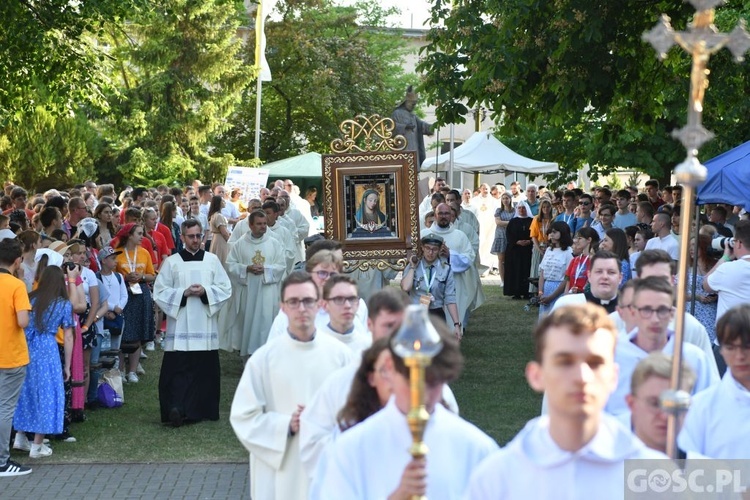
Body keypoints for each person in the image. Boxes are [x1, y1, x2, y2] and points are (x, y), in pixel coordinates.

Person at [467, 304, 664, 498]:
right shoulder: (495, 478)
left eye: (595, 363)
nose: (582, 376)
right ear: (537, 375)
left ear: (613, 377)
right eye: (565, 362)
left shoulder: (657, 477)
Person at [315, 315, 497, 499]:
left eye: (433, 382)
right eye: (412, 380)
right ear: (389, 369)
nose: (423, 395)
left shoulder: (477, 449)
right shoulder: (349, 450)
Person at [230, 272, 353, 500]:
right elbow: (243, 417)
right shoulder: (263, 360)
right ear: (283, 308)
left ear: (319, 305)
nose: (301, 309)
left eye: (307, 301)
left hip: (328, 465)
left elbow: (359, 412)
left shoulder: (341, 356)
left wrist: (324, 420)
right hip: (281, 467)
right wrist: (288, 425)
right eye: (293, 302)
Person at [153, 219, 232, 427]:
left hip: (205, 327)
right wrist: (184, 293)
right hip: (180, 329)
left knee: (204, 372)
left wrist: (206, 292)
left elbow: (225, 288)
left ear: (203, 236)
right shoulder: (172, 262)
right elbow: (159, 291)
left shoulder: (212, 261)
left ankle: (202, 409)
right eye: (191, 236)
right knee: (178, 371)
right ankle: (176, 409)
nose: (195, 240)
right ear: (182, 238)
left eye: (198, 236)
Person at [604, 277, 718, 417]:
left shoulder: (694, 358)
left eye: (662, 310)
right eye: (646, 310)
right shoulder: (610, 357)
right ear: (633, 312)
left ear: (672, 314)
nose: (655, 319)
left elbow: (712, 409)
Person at [13, 266, 74, 459]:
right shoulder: (63, 304)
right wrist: (67, 365)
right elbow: (69, 336)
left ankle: (20, 436)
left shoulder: (31, 297)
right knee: (47, 394)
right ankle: (37, 445)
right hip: (47, 349)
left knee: (26, 391)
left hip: (27, 347)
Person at [678, 304, 750, 458]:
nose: (740, 356)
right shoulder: (701, 406)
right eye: (730, 347)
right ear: (721, 350)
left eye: (747, 347)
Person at [219, 210, 286, 357]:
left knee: (264, 323)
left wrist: (266, 269)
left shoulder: (274, 243)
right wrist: (246, 268)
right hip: (247, 293)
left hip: (266, 292)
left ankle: (267, 357)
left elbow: (281, 266)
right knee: (247, 324)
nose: (263, 227)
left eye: (264, 224)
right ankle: (247, 358)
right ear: (250, 225)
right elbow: (230, 264)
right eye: (259, 224)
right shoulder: (240, 244)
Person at [0, 239, 33, 476]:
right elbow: (22, 321)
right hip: (10, 355)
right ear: (17, 260)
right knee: (4, 409)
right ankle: (2, 461)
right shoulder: (16, 285)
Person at [624, 353, 696, 455]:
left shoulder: (707, 470)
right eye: (655, 404)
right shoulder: (603, 468)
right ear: (631, 404)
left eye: (676, 403)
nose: (665, 416)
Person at [421, 203, 479, 325]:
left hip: (454, 286)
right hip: (428, 287)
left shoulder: (460, 236)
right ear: (435, 215)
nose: (443, 216)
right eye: (440, 213)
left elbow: (468, 259)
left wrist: (450, 256)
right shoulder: (423, 235)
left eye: (446, 213)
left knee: (451, 323)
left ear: (451, 215)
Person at [113, 223, 156, 383]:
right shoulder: (117, 254)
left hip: (140, 294)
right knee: (122, 332)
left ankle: (132, 370)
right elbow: (111, 275)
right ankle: (120, 370)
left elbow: (152, 275)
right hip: (123, 294)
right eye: (139, 233)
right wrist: (125, 277)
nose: (142, 236)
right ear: (129, 235)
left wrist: (142, 277)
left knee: (137, 331)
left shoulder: (144, 253)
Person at [401, 235, 462, 338]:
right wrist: (412, 267)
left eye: (434, 249)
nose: (430, 252)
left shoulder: (446, 269)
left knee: (437, 348)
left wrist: (456, 324)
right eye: (428, 248)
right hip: (416, 312)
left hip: (436, 313)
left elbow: (450, 298)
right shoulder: (413, 265)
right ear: (422, 248)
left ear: (439, 250)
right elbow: (406, 287)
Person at [703, 219, 750, 325]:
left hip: (728, 337)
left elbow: (705, 285)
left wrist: (724, 258)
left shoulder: (727, 269)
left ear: (738, 244)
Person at [318, 275, 371, 353]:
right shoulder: (315, 345)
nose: (347, 305)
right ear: (325, 305)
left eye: (352, 299)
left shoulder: (369, 348)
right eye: (339, 299)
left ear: (358, 304)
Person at [687, 233, 719, 344]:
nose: (691, 249)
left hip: (710, 312)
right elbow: (678, 292)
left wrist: (715, 296)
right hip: (692, 309)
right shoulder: (687, 267)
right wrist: (696, 297)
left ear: (703, 247)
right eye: (690, 245)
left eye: (695, 245)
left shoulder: (715, 266)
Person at [391, 85, 434, 167]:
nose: (413, 106)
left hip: (414, 149)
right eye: (412, 104)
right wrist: (405, 126)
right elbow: (392, 128)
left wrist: (432, 127)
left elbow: (421, 125)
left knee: (413, 168)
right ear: (406, 102)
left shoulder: (413, 116)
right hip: (403, 149)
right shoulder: (397, 113)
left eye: (415, 104)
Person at [537, 221, 574, 316]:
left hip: (559, 289)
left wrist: (552, 296)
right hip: (546, 287)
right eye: (550, 232)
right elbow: (542, 273)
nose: (551, 235)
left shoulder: (568, 252)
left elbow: (567, 277)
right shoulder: (549, 250)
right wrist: (541, 292)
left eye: (554, 232)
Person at [503, 201, 533, 300]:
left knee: (526, 270)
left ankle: (526, 292)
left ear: (527, 209)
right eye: (519, 208)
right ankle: (516, 292)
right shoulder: (513, 221)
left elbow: (535, 234)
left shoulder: (532, 221)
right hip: (515, 251)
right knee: (515, 271)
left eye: (523, 208)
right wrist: (517, 242)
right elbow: (509, 234)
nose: (521, 210)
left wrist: (529, 241)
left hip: (528, 250)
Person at [563, 227, 599, 295]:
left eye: (580, 238)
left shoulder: (595, 261)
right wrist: (566, 296)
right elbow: (568, 280)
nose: (576, 241)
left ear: (589, 239)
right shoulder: (574, 260)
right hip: (571, 298)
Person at [529, 198, 553, 294]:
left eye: (547, 207)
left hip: (550, 246)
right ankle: (534, 291)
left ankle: (546, 289)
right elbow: (533, 236)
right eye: (543, 207)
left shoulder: (553, 219)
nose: (545, 209)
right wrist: (538, 249)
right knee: (536, 268)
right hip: (539, 245)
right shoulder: (536, 219)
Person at [491, 192, 514, 282]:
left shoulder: (514, 210)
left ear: (510, 199)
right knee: (501, 259)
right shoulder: (499, 210)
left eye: (507, 198)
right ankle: (503, 280)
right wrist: (510, 223)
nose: (505, 200)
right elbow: (498, 222)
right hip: (500, 236)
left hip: (510, 236)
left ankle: (510, 279)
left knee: (510, 259)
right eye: (503, 198)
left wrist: (505, 223)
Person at [206, 195, 229, 265]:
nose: (225, 202)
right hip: (220, 240)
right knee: (222, 259)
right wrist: (230, 242)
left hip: (216, 239)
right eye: (223, 200)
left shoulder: (214, 215)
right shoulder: (218, 216)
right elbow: (224, 233)